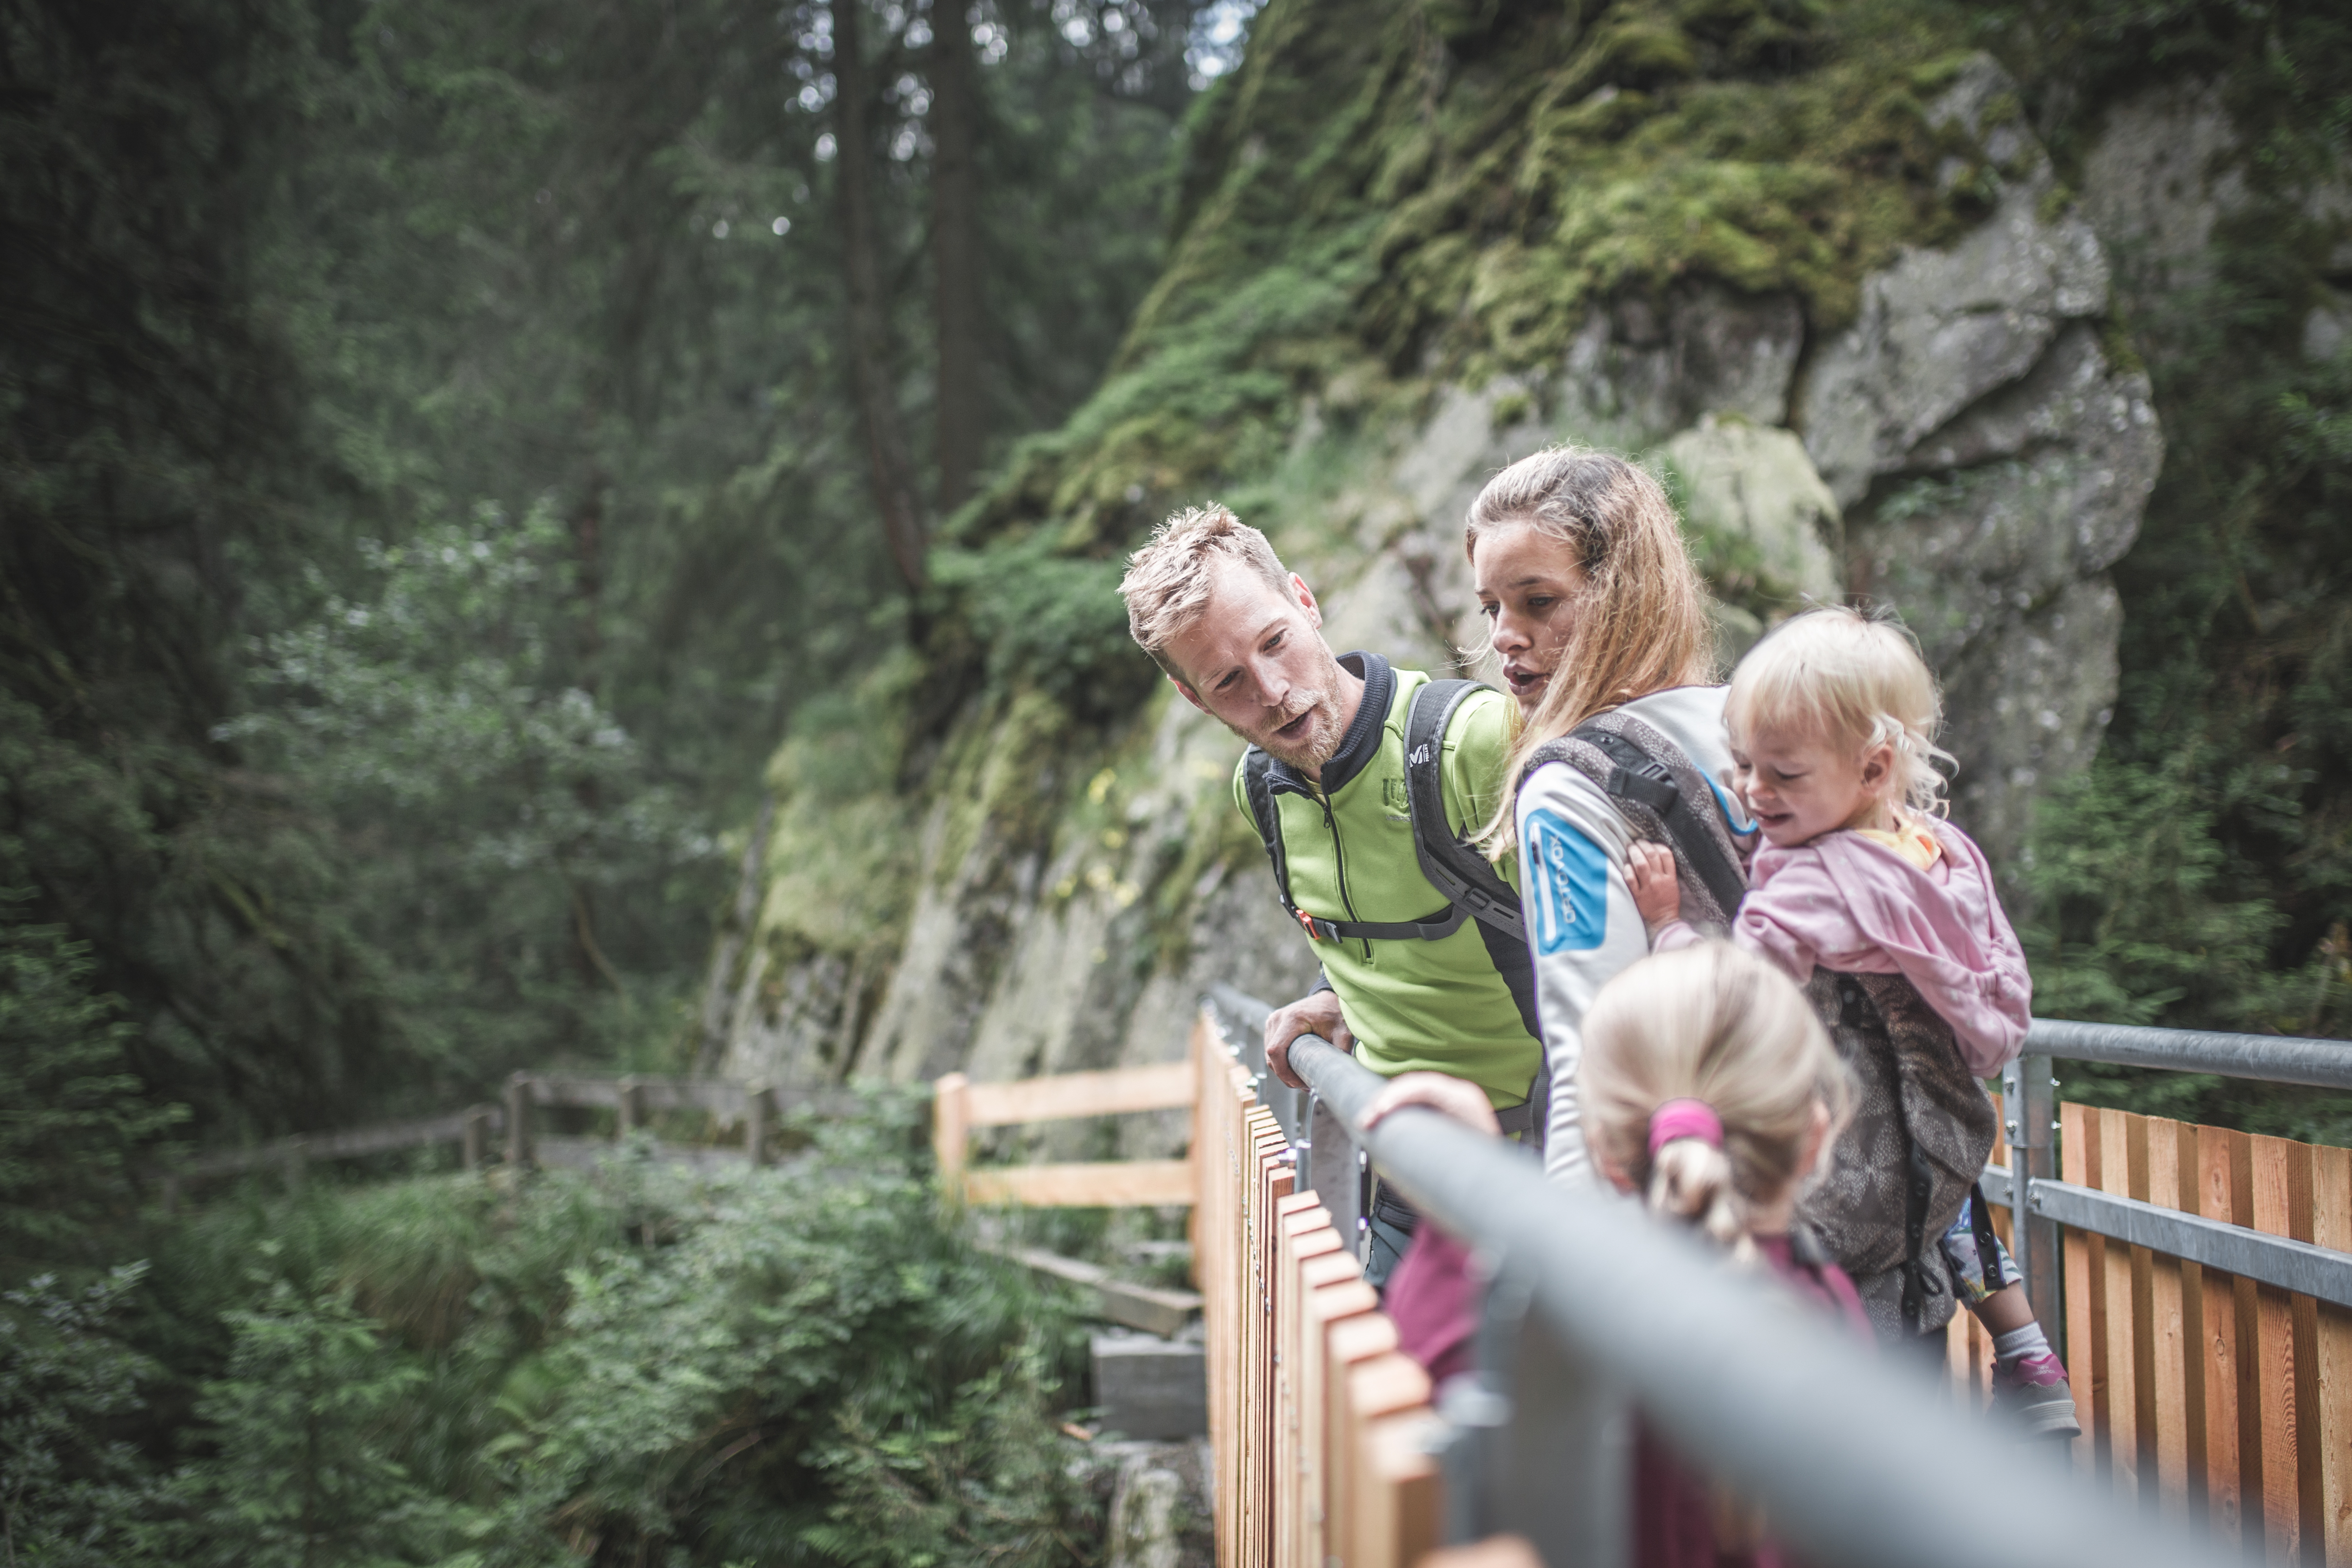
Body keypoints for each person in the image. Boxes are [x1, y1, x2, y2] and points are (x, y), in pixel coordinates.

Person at [1627, 605, 2078, 1436]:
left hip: (1857, 1171)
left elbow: (1735, 1000)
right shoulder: (1942, 848)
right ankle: (2024, 1347)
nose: (1755, 793)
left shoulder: (1811, 881)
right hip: (1950, 1130)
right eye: (1741, 767)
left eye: (1785, 775)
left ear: (1872, 768)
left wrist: (1667, 927)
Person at [1116, 503, 1543, 1283]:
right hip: (1404, 1182)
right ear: (1193, 699)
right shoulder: (1264, 795)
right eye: (1229, 681)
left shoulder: (1471, 745)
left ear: (1305, 603)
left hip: (1547, 1172)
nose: (1275, 692)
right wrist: (1333, 991)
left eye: (1275, 641)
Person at [1369, 943, 1865, 1568]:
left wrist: (1459, 1213)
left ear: (1605, 1150)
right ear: (1814, 1135)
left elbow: (1446, 1418)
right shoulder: (1831, 1313)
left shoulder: (1576, 1317)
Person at [1465, 445, 1753, 1184]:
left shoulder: (1568, 789)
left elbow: (1592, 1057)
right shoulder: (1759, 725)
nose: (1503, 635)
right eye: (1491, 606)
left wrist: (1582, 1268)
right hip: (1849, 1189)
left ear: (1625, 592)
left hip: (1707, 1217)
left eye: (1539, 601)